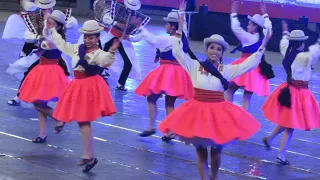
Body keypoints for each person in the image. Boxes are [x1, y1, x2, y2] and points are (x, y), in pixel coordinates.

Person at [158, 12, 271, 180]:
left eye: (218, 49)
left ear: (222, 52)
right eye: (212, 47)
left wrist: (264, 44)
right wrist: (180, 28)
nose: (215, 51)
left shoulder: (227, 70)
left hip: (218, 114)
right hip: (197, 113)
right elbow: (177, 51)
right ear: (207, 49)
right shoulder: (194, 66)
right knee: (201, 151)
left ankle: (214, 176)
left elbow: (251, 63)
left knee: (217, 152)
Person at [46, 20, 120, 172]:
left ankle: (89, 156)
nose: (88, 40)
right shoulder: (77, 49)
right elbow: (62, 44)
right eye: (86, 37)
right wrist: (52, 29)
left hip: (89, 87)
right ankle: (89, 156)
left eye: (91, 37)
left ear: (97, 38)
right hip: (77, 85)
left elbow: (106, 61)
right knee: (82, 121)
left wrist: (113, 50)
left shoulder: (98, 53)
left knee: (84, 121)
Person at [261, 21, 320, 165]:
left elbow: (283, 43)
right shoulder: (303, 57)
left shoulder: (287, 50)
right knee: (290, 126)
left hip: (288, 88)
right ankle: (281, 155)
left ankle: (269, 139)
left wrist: (285, 32)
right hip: (298, 93)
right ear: (302, 43)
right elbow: (315, 51)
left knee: (287, 121)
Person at [134, 1, 194, 141]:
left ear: (173, 27)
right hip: (178, 73)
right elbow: (182, 25)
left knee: (151, 98)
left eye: (167, 24)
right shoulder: (182, 37)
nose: (165, 26)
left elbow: (153, 40)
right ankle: (170, 131)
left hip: (167, 71)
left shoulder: (168, 39)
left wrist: (140, 27)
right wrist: (181, 12)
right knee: (169, 103)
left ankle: (151, 126)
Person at [6, 0, 78, 106]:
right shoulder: (36, 18)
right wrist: (38, 36)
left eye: (47, 7)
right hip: (42, 54)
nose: (45, 9)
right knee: (29, 74)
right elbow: (30, 38)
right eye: (43, 7)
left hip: (56, 55)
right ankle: (19, 97)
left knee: (64, 77)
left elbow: (62, 28)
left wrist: (52, 23)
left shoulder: (58, 17)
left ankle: (66, 100)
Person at [18, 10, 70, 143]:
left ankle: (58, 118)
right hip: (47, 70)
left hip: (47, 72)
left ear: (58, 26)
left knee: (38, 105)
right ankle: (42, 134)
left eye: (51, 23)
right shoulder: (54, 35)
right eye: (49, 22)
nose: (48, 24)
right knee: (41, 104)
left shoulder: (53, 39)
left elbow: (44, 46)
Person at [225, 1, 274, 111]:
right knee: (247, 97)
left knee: (230, 89)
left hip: (245, 64)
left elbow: (236, 28)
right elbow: (268, 28)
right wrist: (265, 14)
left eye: (249, 24)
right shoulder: (262, 38)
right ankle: (244, 118)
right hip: (256, 68)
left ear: (255, 26)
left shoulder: (248, 38)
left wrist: (233, 13)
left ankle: (227, 111)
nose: (247, 26)